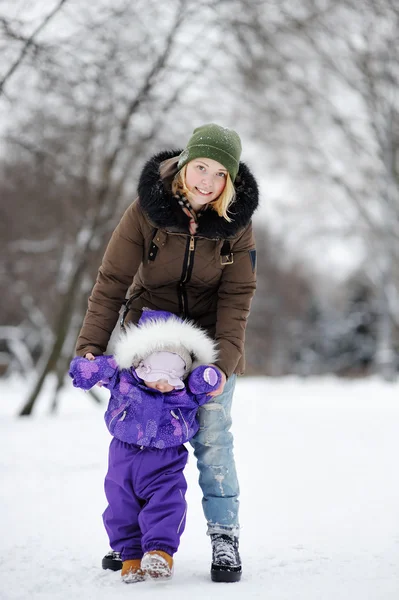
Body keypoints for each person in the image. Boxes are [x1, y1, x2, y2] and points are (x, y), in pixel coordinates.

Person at [75, 123, 259, 582]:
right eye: (201, 167)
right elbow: (112, 282)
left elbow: (238, 299)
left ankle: (224, 537)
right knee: (137, 439)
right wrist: (91, 350)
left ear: (230, 181)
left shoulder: (237, 227)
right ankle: (133, 543)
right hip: (150, 343)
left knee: (213, 440)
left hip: (210, 343)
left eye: (220, 174)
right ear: (183, 165)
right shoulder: (145, 212)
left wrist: (220, 368)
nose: (207, 181)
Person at [70, 309, 221, 583]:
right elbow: (98, 369)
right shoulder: (123, 378)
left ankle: (160, 552)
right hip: (123, 457)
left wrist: (207, 376)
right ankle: (131, 557)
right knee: (120, 506)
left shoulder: (184, 392)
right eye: (159, 376)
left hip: (166, 460)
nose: (165, 385)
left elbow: (204, 382)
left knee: (167, 502)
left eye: (173, 378)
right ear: (140, 365)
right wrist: (86, 368)